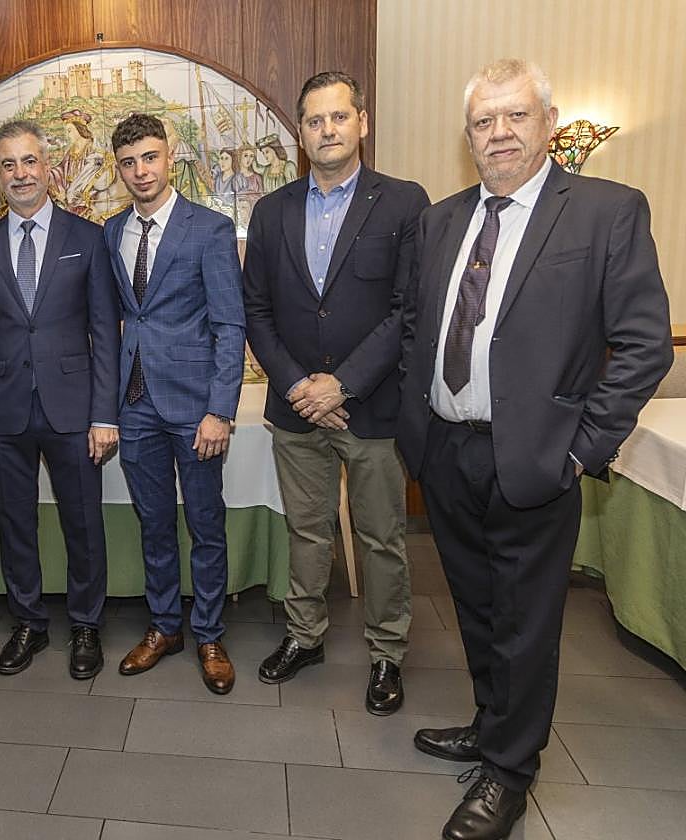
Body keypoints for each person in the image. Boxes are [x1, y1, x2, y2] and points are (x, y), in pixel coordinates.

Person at [398, 59, 671, 840]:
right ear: (468, 137)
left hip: (539, 460)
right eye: (484, 122)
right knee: (477, 609)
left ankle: (510, 773)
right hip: (446, 453)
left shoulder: (604, 212)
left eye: (516, 116)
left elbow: (645, 344)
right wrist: (420, 431)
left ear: (548, 123)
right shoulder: (441, 220)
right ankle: (492, 727)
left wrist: (583, 450)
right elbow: (421, 327)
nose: (500, 134)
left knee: (527, 621)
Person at [243, 71, 429, 716]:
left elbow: (408, 311)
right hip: (296, 409)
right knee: (307, 531)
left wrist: (341, 383)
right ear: (301, 132)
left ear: (362, 122)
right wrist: (299, 385)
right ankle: (305, 636)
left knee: (381, 537)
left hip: (371, 407)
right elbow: (256, 310)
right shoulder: (271, 211)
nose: (327, 131)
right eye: (315, 121)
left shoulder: (405, 204)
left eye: (338, 118)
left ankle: (386, 653)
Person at [0, 119, 120, 679]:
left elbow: (106, 331)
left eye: (29, 162)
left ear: (47, 168)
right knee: (14, 523)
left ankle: (85, 625)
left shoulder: (87, 238)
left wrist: (104, 414)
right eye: (8, 164)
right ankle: (27, 620)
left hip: (74, 409)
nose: (20, 174)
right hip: (1, 411)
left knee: (83, 522)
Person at [104, 113, 246, 694]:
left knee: (205, 523)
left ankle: (209, 631)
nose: (141, 171)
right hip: (134, 404)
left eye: (150, 158)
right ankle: (166, 625)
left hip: (194, 408)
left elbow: (229, 324)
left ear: (171, 157)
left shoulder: (209, 229)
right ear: (119, 169)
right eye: (130, 163)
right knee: (154, 524)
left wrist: (221, 409)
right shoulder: (111, 232)